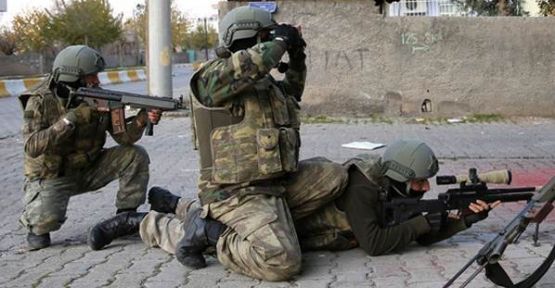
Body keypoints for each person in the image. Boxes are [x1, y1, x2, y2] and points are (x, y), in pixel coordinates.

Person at [88, 5, 350, 282]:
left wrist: (297, 56)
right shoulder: (212, 78)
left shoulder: (265, 84)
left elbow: (293, 91)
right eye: (266, 36)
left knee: (335, 175)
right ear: (251, 37)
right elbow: (249, 65)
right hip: (235, 194)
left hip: (273, 183)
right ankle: (167, 226)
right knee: (281, 260)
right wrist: (281, 41)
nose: (271, 41)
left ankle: (182, 206)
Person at [88, 140, 498, 280]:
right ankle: (141, 222)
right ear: (398, 175)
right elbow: (375, 242)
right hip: (282, 226)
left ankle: (176, 203)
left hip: (283, 215)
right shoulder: (361, 189)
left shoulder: (389, 190)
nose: (423, 190)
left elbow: (417, 226)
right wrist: (426, 222)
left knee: (216, 210)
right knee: (216, 234)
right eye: (419, 183)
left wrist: (464, 220)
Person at [19, 45, 162, 250]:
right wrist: (71, 119)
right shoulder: (40, 100)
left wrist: (142, 119)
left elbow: (125, 139)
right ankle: (37, 220)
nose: (96, 81)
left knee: (135, 155)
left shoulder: (101, 98)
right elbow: (32, 146)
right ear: (72, 78)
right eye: (90, 76)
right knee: (41, 232)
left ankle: (125, 218)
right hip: (54, 174)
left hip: (89, 168)